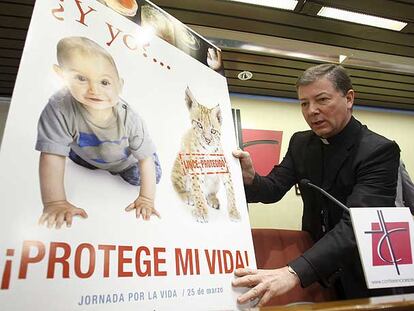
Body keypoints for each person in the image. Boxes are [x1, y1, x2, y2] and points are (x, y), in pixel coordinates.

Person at [232, 64, 403, 305]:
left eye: (322, 100)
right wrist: (251, 179)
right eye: (304, 103)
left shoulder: (379, 150)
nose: (312, 111)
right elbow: (273, 188)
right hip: (317, 271)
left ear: (349, 98)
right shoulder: (301, 143)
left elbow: (360, 224)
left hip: (361, 272)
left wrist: (292, 272)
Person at [35, 36, 161, 229]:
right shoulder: (59, 108)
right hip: (88, 152)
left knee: (148, 172)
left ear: (119, 85)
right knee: (63, 150)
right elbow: (51, 155)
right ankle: (96, 161)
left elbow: (145, 160)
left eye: (104, 82)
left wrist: (146, 198)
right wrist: (55, 202)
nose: (94, 89)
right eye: (81, 78)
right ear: (61, 75)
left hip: (125, 160)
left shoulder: (130, 119)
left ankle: (135, 153)